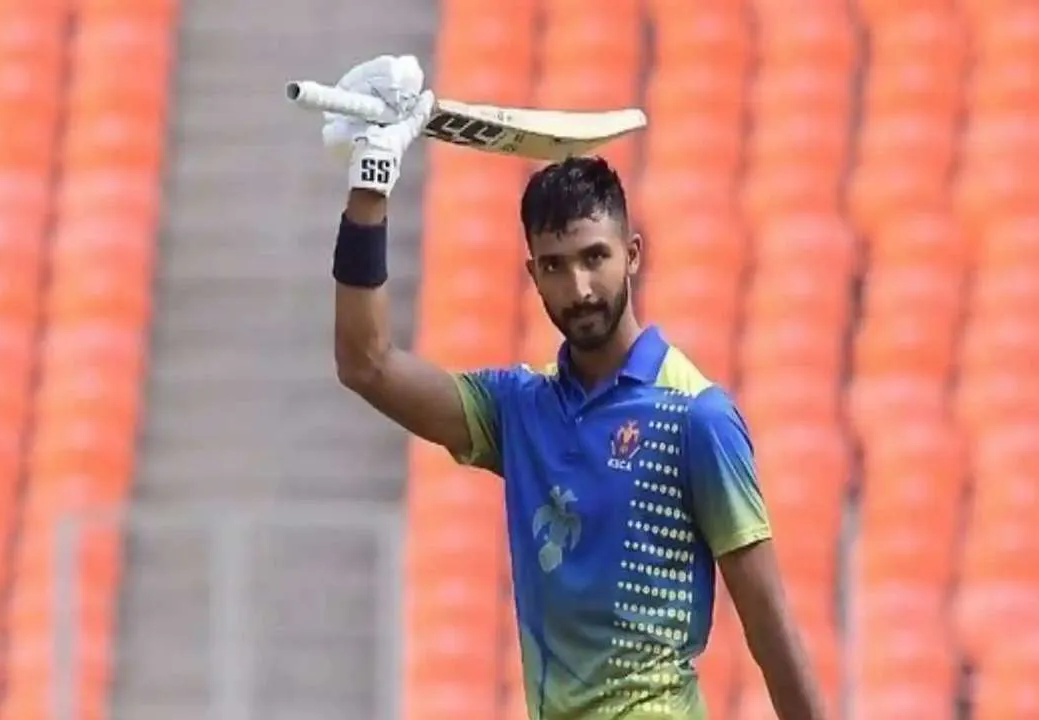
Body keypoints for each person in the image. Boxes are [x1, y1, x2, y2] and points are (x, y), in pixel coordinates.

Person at [324, 56, 826, 720]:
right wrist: (371, 186)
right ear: (532, 273)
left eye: (596, 257)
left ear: (633, 254)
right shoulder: (519, 411)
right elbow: (366, 363)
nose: (580, 288)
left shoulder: (695, 416)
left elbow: (769, 624)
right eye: (556, 267)